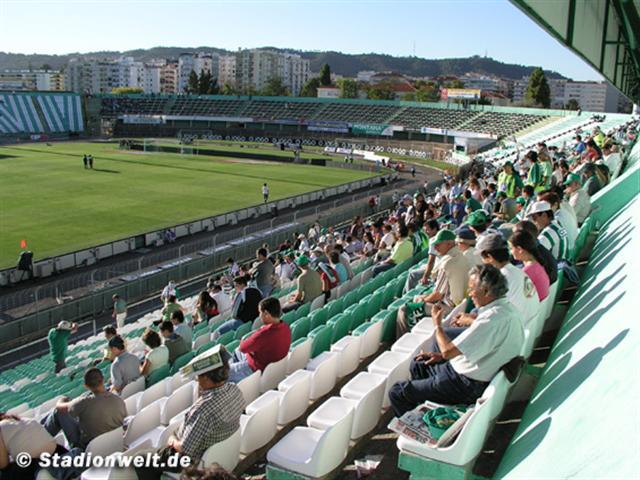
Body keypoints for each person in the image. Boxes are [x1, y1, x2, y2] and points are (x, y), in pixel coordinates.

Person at [388, 265, 524, 417]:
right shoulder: (507, 310)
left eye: (472, 288)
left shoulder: (490, 320)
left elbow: (446, 351)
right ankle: (428, 408)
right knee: (419, 364)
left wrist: (437, 324)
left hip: (466, 384)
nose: (469, 293)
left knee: (397, 391)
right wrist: (439, 356)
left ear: (486, 291)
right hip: (471, 373)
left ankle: (416, 423)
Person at [133, 347, 245, 480]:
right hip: (218, 442)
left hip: (188, 458)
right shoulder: (234, 389)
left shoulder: (203, 411)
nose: (197, 379)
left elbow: (185, 449)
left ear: (208, 379)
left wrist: (173, 441)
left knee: (140, 459)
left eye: (199, 375)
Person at [396, 229, 471, 337]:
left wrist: (423, 299)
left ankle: (402, 337)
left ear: (449, 243)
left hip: (448, 308)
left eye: (439, 244)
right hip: (458, 304)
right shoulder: (462, 256)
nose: (435, 247)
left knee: (403, 310)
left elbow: (438, 294)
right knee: (417, 298)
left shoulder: (448, 263)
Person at [41, 368, 126, 449]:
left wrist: (61, 399)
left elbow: (60, 407)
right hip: (115, 441)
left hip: (88, 447)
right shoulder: (118, 399)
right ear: (103, 379)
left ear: (86, 386)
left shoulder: (84, 402)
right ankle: (40, 430)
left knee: (57, 412)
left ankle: (39, 438)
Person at [476, 233, 540, 330]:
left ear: (489, 257)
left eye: (482, 258)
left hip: (516, 331)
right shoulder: (517, 272)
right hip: (529, 327)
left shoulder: (501, 278)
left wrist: (470, 320)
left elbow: (490, 321)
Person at [228, 297, 292, 383]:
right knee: (236, 351)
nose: (259, 316)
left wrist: (251, 346)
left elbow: (243, 348)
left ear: (266, 314)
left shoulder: (264, 333)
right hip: (273, 366)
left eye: (260, 312)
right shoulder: (285, 327)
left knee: (223, 373)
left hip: (257, 369)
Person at [0, 412, 66, 480]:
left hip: (34, 464)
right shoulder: (19, 419)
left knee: (5, 474)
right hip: (58, 452)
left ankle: (43, 473)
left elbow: (4, 465)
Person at [509, 230, 550, 301]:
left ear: (519, 249)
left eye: (511, 248)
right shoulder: (537, 264)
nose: (511, 252)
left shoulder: (527, 271)